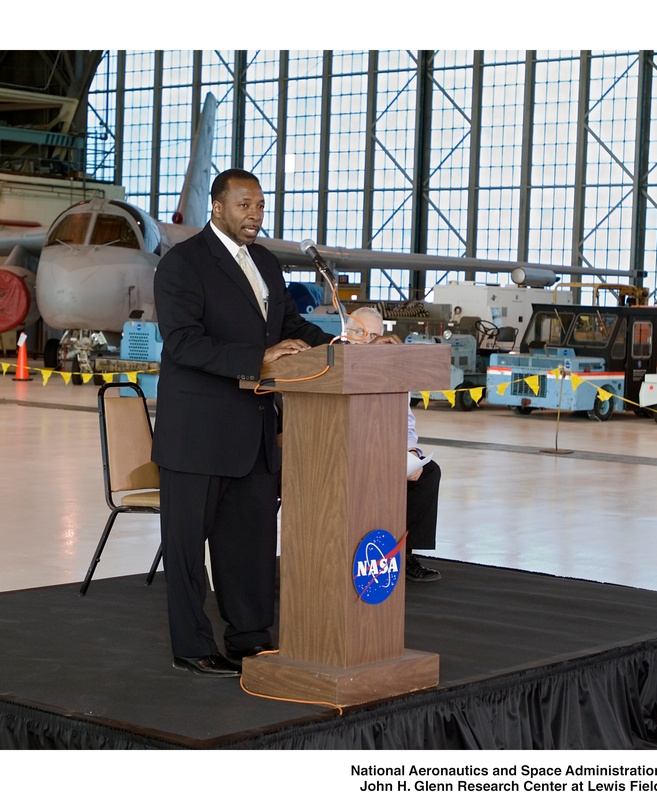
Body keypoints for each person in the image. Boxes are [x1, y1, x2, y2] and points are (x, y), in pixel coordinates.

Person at [151, 168, 333, 677]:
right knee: (188, 552)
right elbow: (183, 342)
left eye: (260, 206)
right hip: (198, 435)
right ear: (218, 207)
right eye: (244, 205)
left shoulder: (268, 265)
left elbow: (290, 327)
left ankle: (250, 639)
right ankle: (191, 647)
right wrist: (261, 356)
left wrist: (345, 347)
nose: (254, 215)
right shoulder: (184, 264)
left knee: (249, 547)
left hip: (253, 436)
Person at [345, 306, 443, 582]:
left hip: (384, 450)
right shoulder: (332, 365)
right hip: (345, 451)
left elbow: (406, 421)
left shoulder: (394, 370)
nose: (369, 341)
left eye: (375, 335)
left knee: (428, 472)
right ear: (346, 332)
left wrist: (411, 452)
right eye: (361, 333)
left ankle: (405, 554)